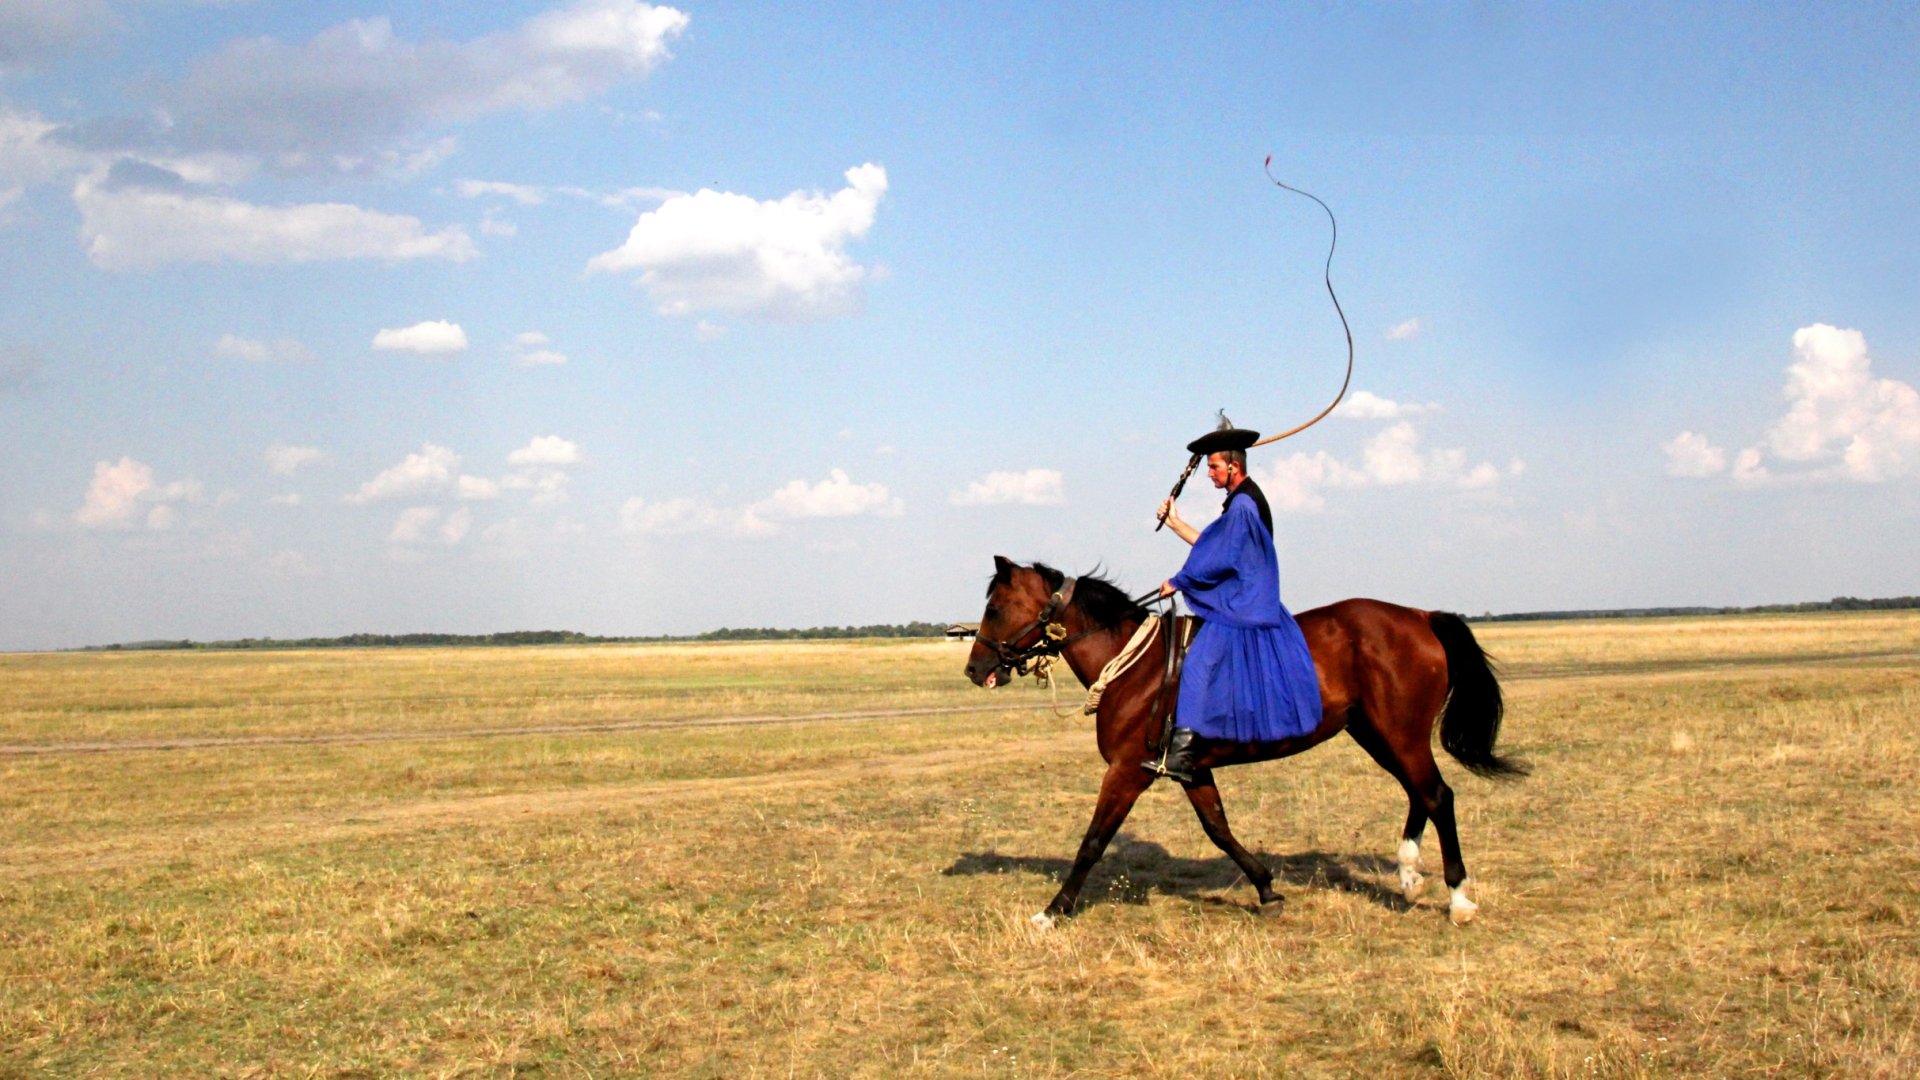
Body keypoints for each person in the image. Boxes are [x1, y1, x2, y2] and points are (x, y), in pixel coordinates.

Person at [1149, 418, 1323, 783]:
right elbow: (1218, 548)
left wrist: (1178, 581)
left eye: (1213, 467)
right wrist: (1177, 524)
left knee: (1197, 665)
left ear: (1233, 466)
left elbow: (1222, 558)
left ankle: (1181, 755)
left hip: (1243, 604)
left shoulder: (1243, 506)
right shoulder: (1239, 503)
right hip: (1246, 598)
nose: (1209, 474)